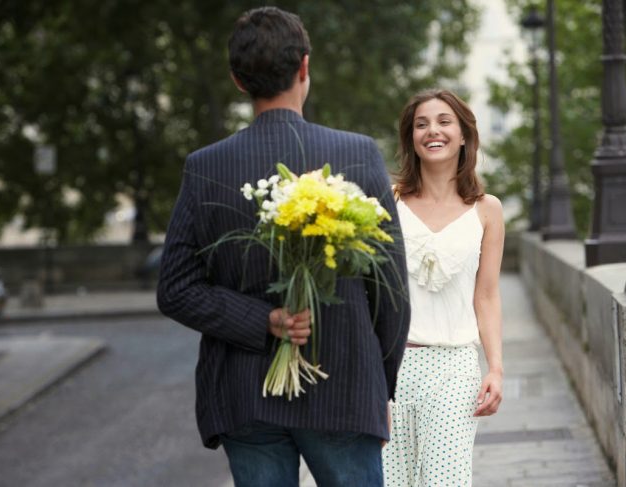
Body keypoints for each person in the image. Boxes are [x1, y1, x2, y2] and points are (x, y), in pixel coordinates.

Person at [156, 7, 410, 487]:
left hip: (245, 397)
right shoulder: (357, 154)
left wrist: (262, 320)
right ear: (305, 67)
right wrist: (380, 387)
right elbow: (391, 289)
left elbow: (175, 289)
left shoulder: (205, 166)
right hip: (345, 390)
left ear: (237, 80)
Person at [382, 88, 504, 486]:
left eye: (443, 121)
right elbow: (373, 295)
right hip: (391, 368)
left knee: (443, 480)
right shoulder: (387, 203)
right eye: (421, 124)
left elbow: (485, 295)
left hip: (454, 368)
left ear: (464, 135)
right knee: (393, 481)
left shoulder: (488, 210)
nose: (432, 131)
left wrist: (496, 368)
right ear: (411, 138)